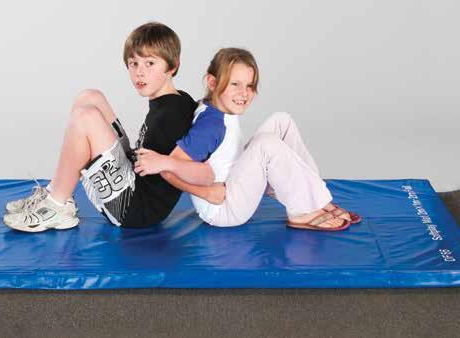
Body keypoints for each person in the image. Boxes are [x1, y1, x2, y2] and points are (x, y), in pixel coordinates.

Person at [3, 22, 202, 232]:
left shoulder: (171, 115)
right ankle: (57, 192)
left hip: (134, 208)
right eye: (133, 63)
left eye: (149, 63)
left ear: (172, 66)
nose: (139, 72)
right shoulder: (176, 99)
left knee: (86, 117)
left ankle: (56, 206)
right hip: (133, 173)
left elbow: (181, 167)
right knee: (90, 97)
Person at [134, 48, 361, 231]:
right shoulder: (210, 126)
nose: (244, 93)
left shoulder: (215, 109)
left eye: (250, 86)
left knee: (282, 121)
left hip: (233, 184)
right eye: (235, 84)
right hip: (224, 209)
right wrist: (208, 193)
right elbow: (170, 170)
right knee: (266, 145)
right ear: (212, 83)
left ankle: (316, 199)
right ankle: (303, 212)